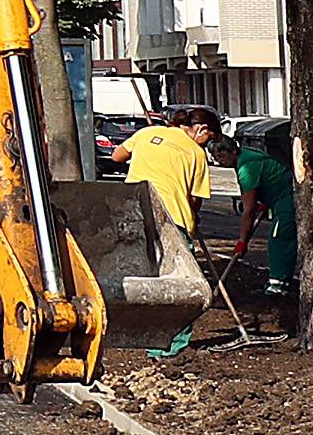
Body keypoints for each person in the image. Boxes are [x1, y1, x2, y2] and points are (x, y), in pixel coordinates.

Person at [113, 105, 223, 237]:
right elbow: (194, 199)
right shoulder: (197, 153)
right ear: (202, 129)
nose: (206, 145)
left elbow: (117, 156)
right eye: (209, 138)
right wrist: (193, 214)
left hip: (135, 211)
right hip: (173, 219)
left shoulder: (147, 132)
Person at [232, 118, 297, 297]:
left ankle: (278, 284)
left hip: (288, 200)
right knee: (281, 238)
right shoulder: (247, 154)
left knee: (279, 239)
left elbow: (249, 210)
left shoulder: (246, 167)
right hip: (280, 199)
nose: (217, 160)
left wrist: (242, 241)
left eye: (218, 156)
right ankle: (281, 281)